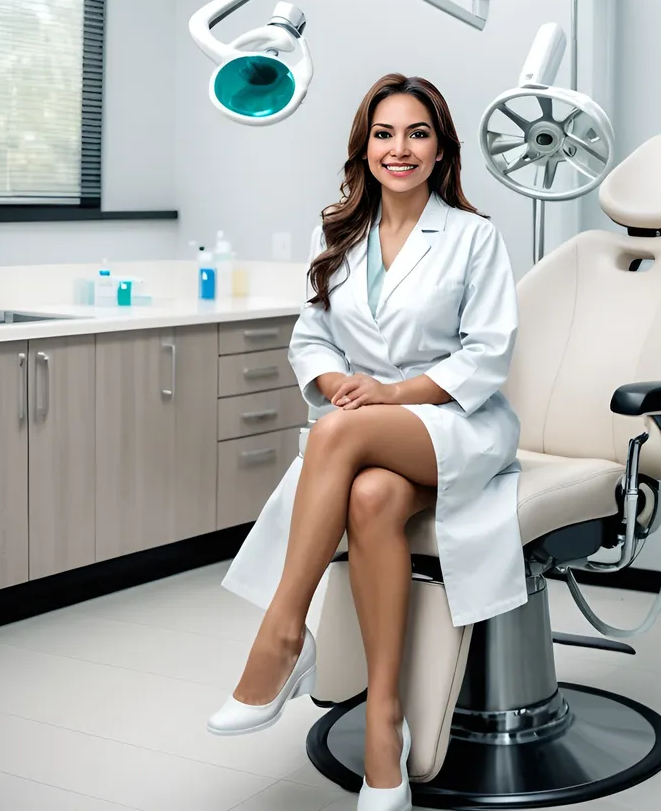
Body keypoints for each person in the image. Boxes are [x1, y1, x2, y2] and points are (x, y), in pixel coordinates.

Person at [208, 74, 527, 811]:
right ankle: (386, 727)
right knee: (373, 496)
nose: (400, 148)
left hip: (457, 424)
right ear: (365, 148)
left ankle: (282, 637)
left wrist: (387, 393)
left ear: (441, 147)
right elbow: (309, 338)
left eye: (417, 132)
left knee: (342, 433)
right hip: (368, 430)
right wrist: (336, 382)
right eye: (384, 133)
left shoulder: (474, 237)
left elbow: (487, 355)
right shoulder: (340, 235)